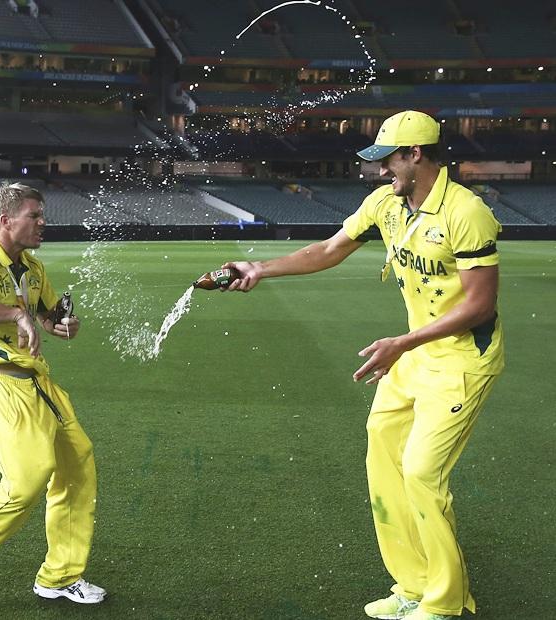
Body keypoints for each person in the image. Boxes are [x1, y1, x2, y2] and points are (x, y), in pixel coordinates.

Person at [225, 110, 503, 620]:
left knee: (421, 472)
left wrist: (405, 341)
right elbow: (330, 249)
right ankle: (412, 585)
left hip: (461, 359)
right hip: (412, 354)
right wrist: (259, 268)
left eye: (389, 160)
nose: (381, 172)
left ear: (415, 154)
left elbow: (479, 305)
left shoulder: (467, 212)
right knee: (383, 462)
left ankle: (443, 605)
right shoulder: (386, 203)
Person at [0, 182, 105, 604]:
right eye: (34, 215)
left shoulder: (32, 268)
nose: (42, 222)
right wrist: (17, 313)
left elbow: (50, 318)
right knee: (27, 477)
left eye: (41, 215)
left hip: (38, 381)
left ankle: (59, 575)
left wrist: (62, 326)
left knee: (77, 467)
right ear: (5, 220)